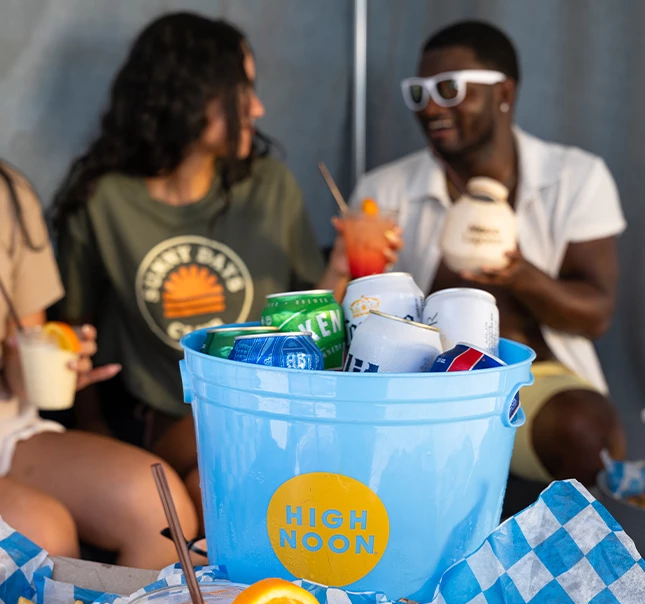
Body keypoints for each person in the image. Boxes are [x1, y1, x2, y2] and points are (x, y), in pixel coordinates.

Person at [52, 12, 368, 519]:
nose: (258, 108)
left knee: (211, 488)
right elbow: (73, 328)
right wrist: (94, 431)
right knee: (217, 481)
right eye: (241, 90)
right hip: (159, 419)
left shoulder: (269, 187)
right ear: (186, 95)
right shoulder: (104, 201)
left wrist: (341, 265)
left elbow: (306, 322)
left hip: (267, 411)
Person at [350, 20, 626, 486]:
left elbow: (595, 315)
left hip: (534, 379)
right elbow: (361, 314)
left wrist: (520, 277)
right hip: (420, 386)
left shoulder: (575, 177)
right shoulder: (384, 191)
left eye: (450, 89)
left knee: (585, 430)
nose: (431, 106)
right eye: (419, 93)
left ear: (504, 93)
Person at [0, 162, 197, 566]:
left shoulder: (7, 193)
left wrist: (50, 366)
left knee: (160, 508)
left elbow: (21, 357)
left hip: (8, 431)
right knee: (42, 536)